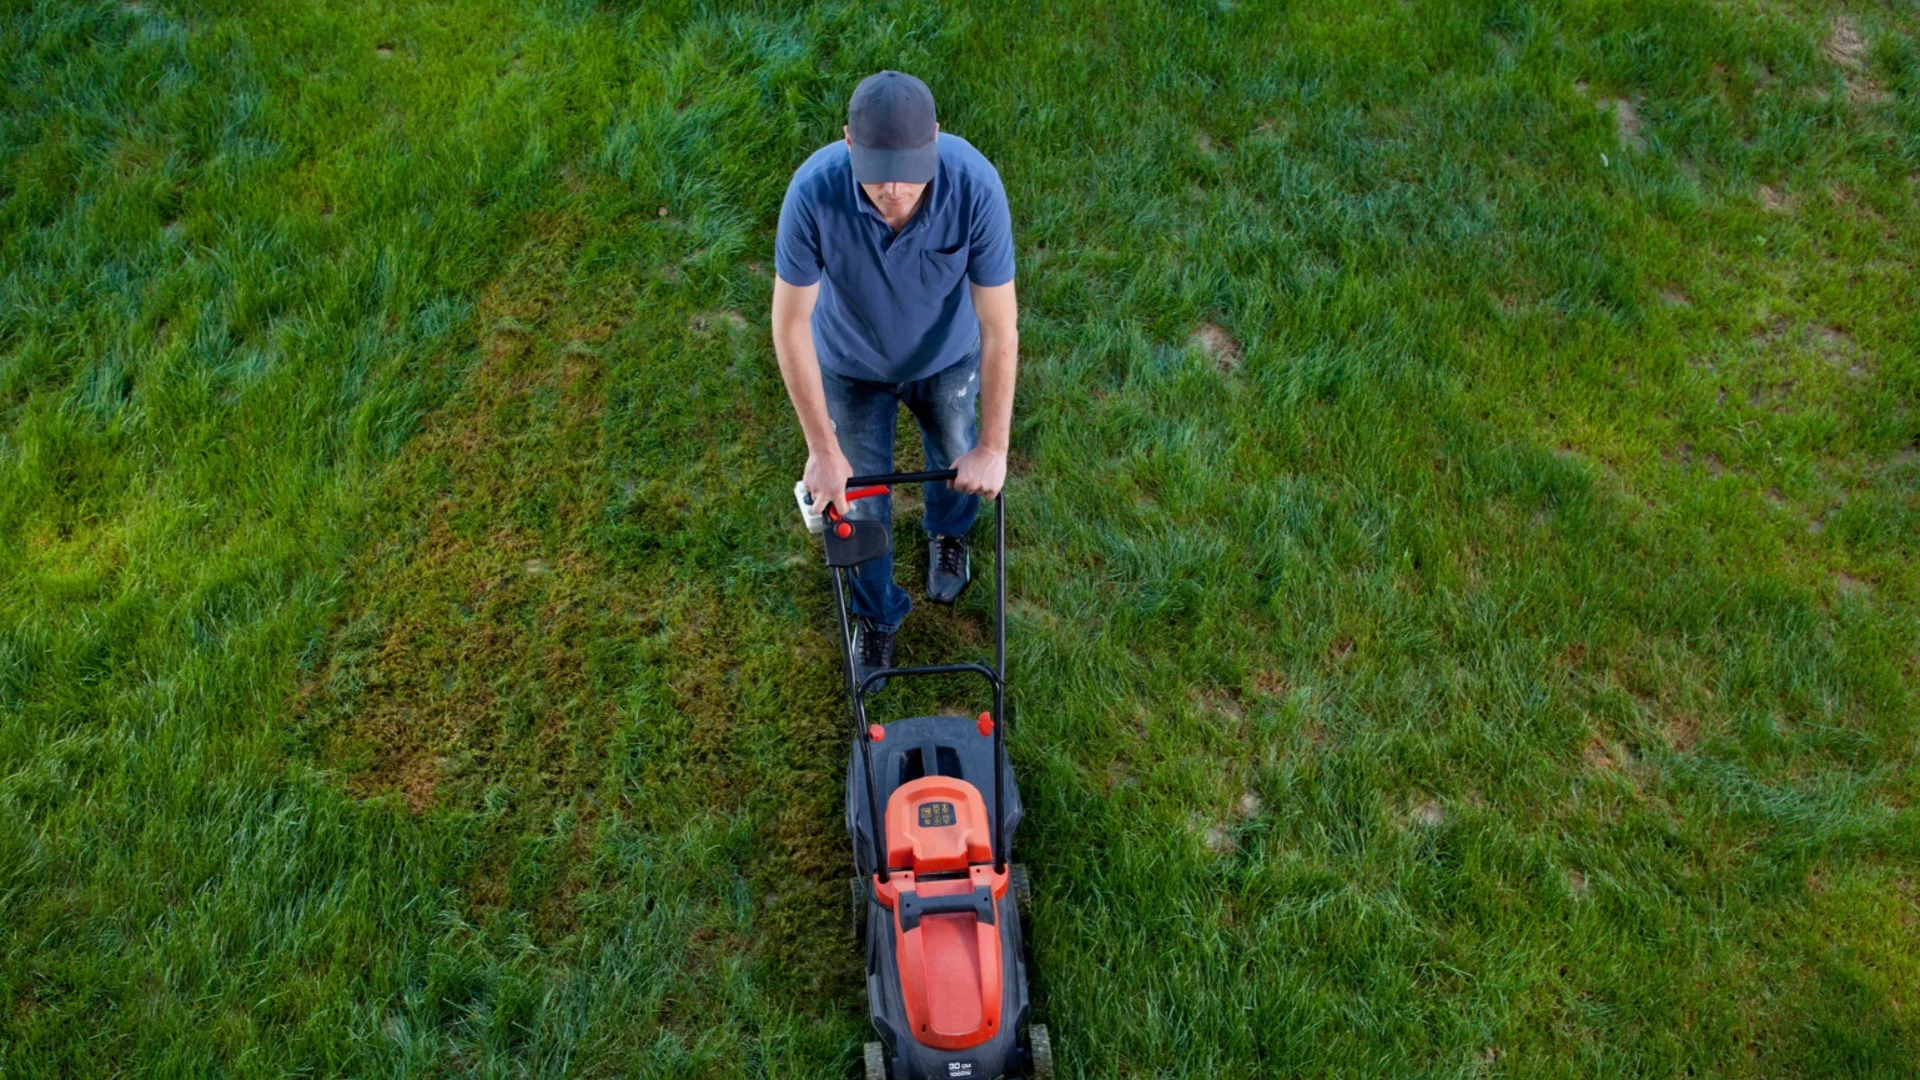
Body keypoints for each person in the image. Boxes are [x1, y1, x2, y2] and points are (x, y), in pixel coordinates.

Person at [771, 70, 1019, 694]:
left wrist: (993, 448)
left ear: (936, 139)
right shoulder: (812, 195)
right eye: (878, 169)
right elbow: (790, 325)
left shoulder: (975, 187)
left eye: (910, 169)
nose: (894, 189)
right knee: (858, 502)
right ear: (848, 143)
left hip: (946, 359)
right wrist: (824, 451)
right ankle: (878, 615)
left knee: (956, 454)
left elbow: (999, 328)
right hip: (851, 368)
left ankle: (948, 531)